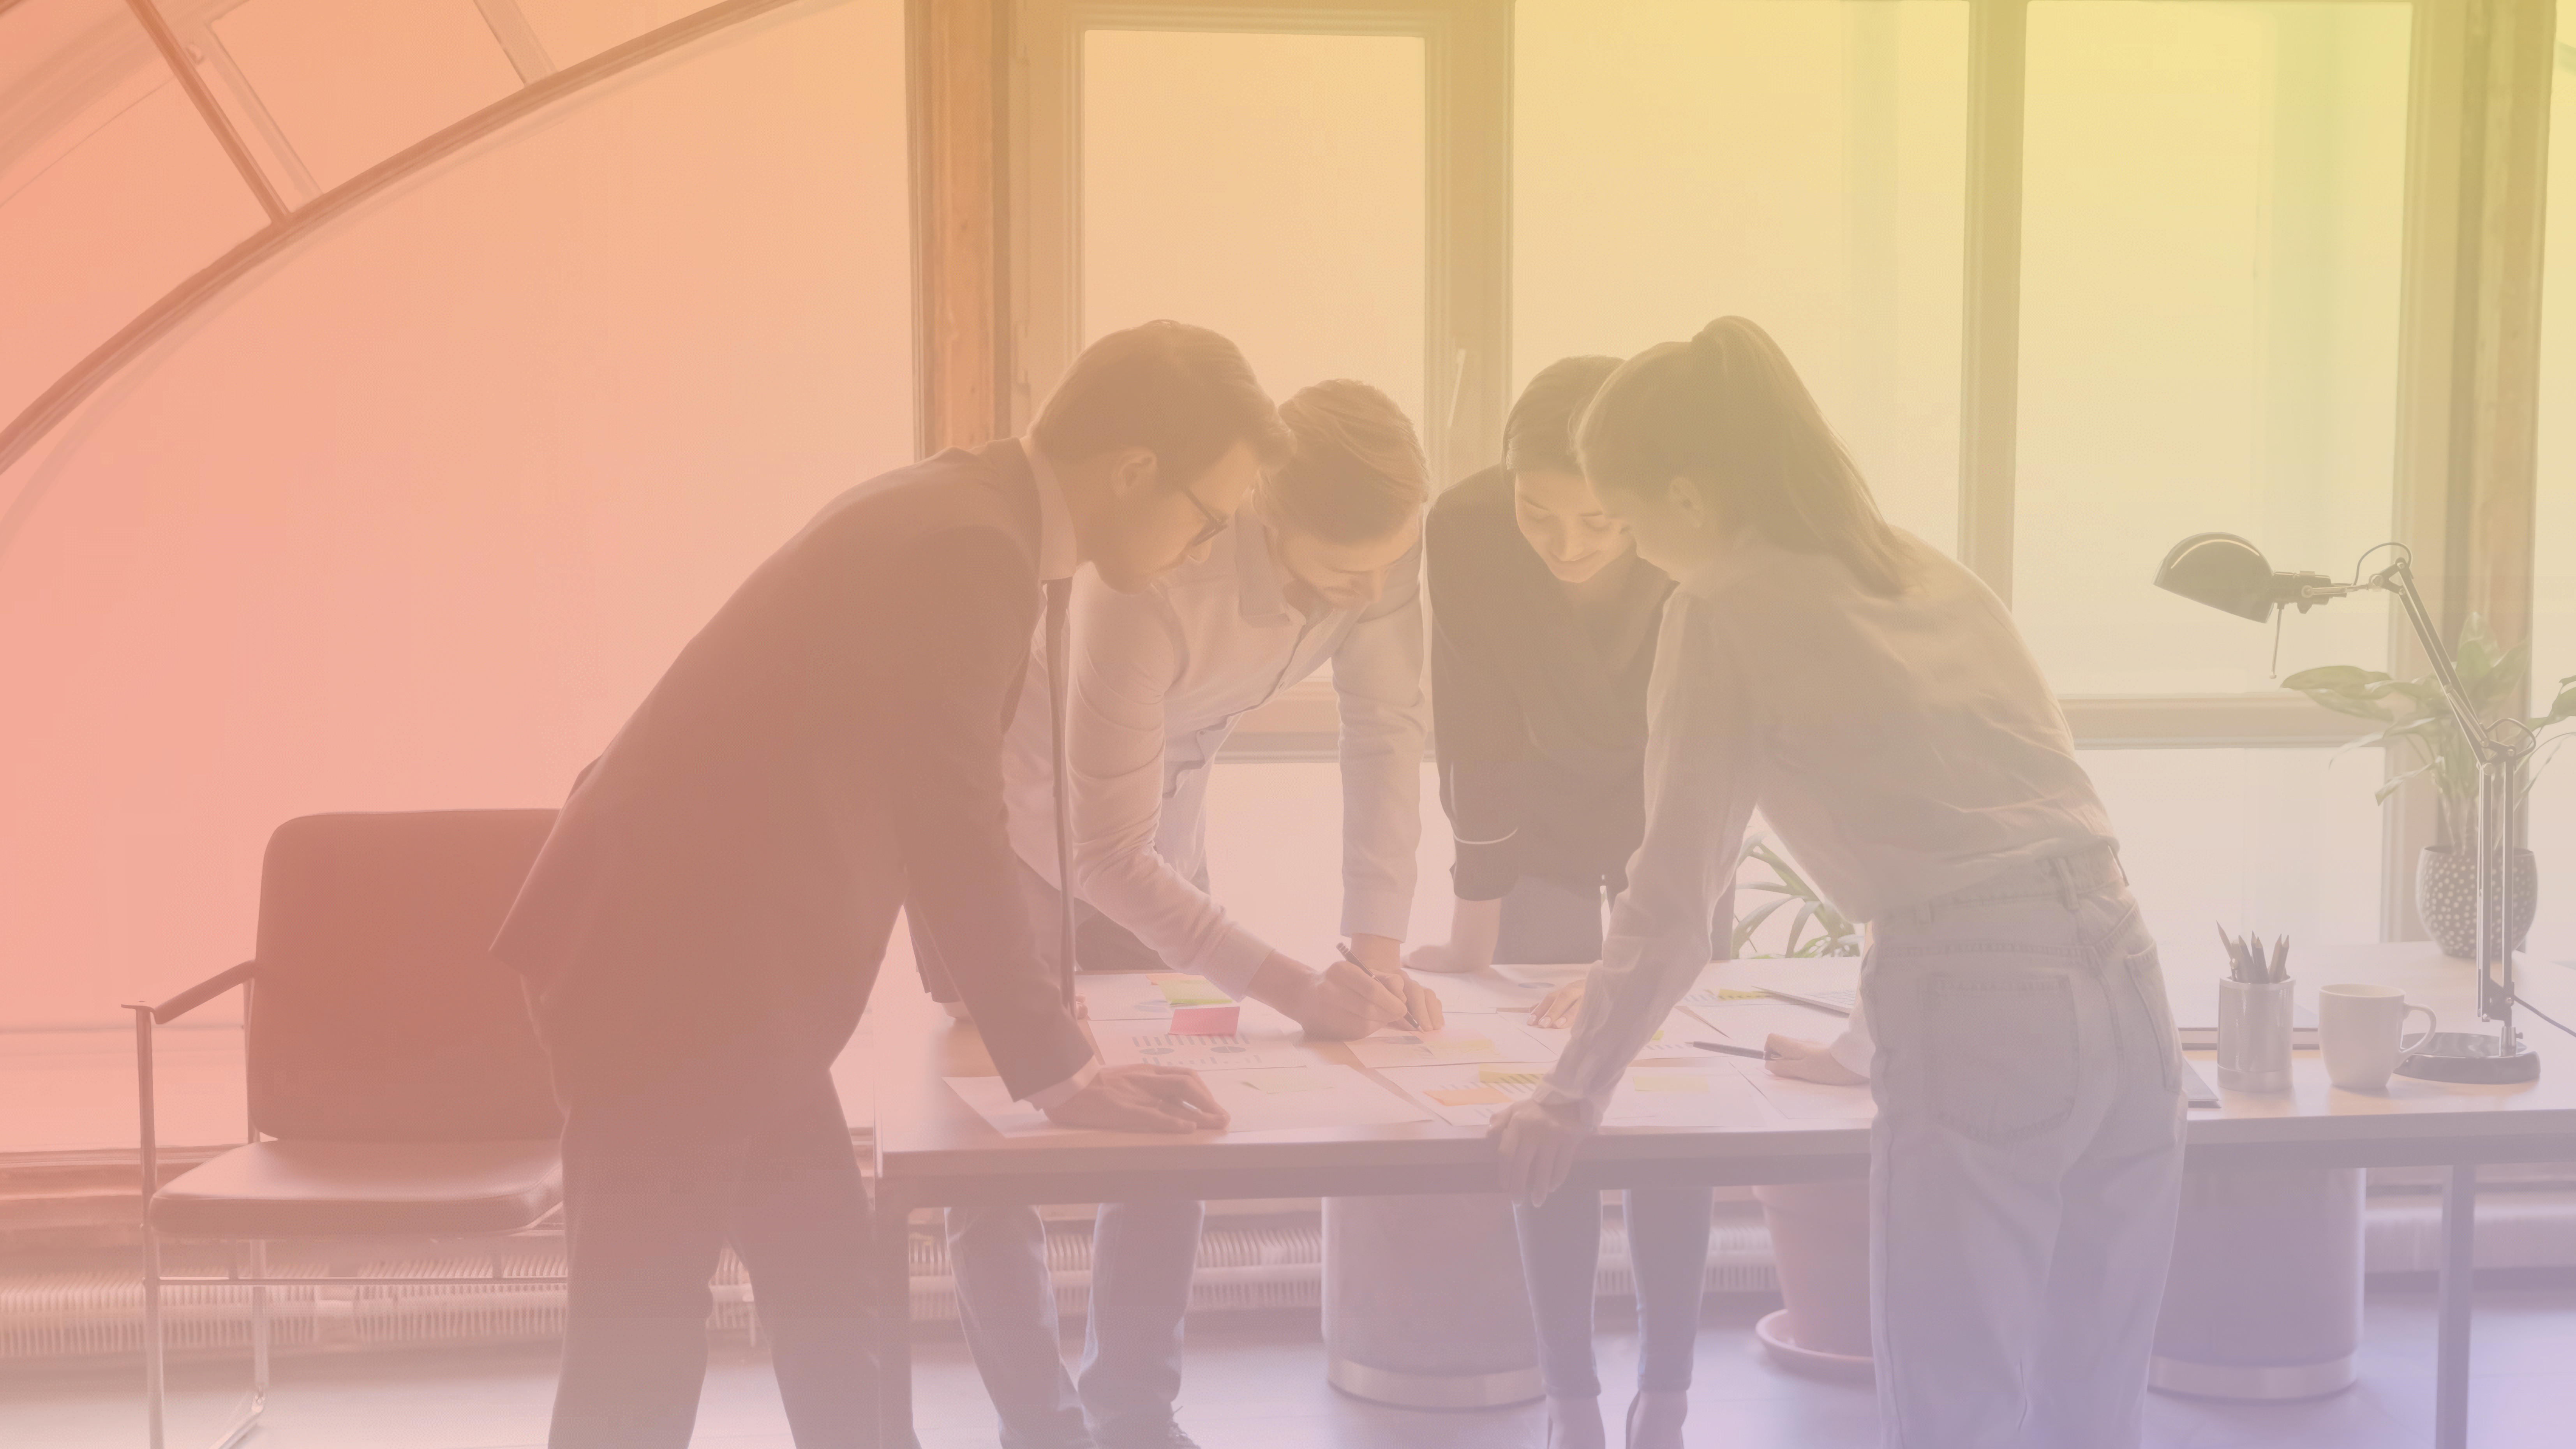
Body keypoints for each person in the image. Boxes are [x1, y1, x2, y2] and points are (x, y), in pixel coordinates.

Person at [492, 321, 1290, 1449]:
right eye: (1210, 519)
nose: (1205, 551)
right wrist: (1055, 1065)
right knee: (642, 1331)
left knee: (831, 1295)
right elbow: (953, 816)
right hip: (669, 975)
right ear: (1135, 472)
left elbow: (924, 800)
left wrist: (1041, 1035)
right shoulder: (971, 549)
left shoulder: (968, 511)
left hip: (725, 976)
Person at [1490, 317, 2183, 1449]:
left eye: (1625, 519)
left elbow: (1672, 895)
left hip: (1982, 1010)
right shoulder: (1918, 562)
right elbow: (1999, 817)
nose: (1625, 551)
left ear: (1689, 499)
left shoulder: (1719, 608)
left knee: (1955, 1403)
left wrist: (1570, 1095)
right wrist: (1864, 1042)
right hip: (2130, 986)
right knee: (2092, 1400)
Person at [920, 377, 1441, 1449]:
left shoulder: (1379, 558)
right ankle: (1040, 1425)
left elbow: (1388, 732)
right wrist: (1293, 984)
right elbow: (1101, 848)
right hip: (1008, 817)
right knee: (1004, 1120)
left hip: (1158, 814)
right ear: (1270, 518)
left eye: (1392, 563)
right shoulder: (1149, 582)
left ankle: (1133, 1414)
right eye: (1350, 570)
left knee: (1181, 1111)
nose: (1375, 588)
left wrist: (1373, 959)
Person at [1402, 356, 1715, 1449]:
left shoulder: (1699, 541)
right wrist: (1472, 929)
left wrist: (1637, 961)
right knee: (1547, 1103)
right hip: (1534, 809)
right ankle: (1571, 1401)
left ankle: (1665, 1400)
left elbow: (1709, 762)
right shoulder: (1471, 527)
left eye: (1594, 521)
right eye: (1540, 513)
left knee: (1666, 1105)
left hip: (1671, 810)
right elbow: (1473, 722)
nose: (1567, 545)